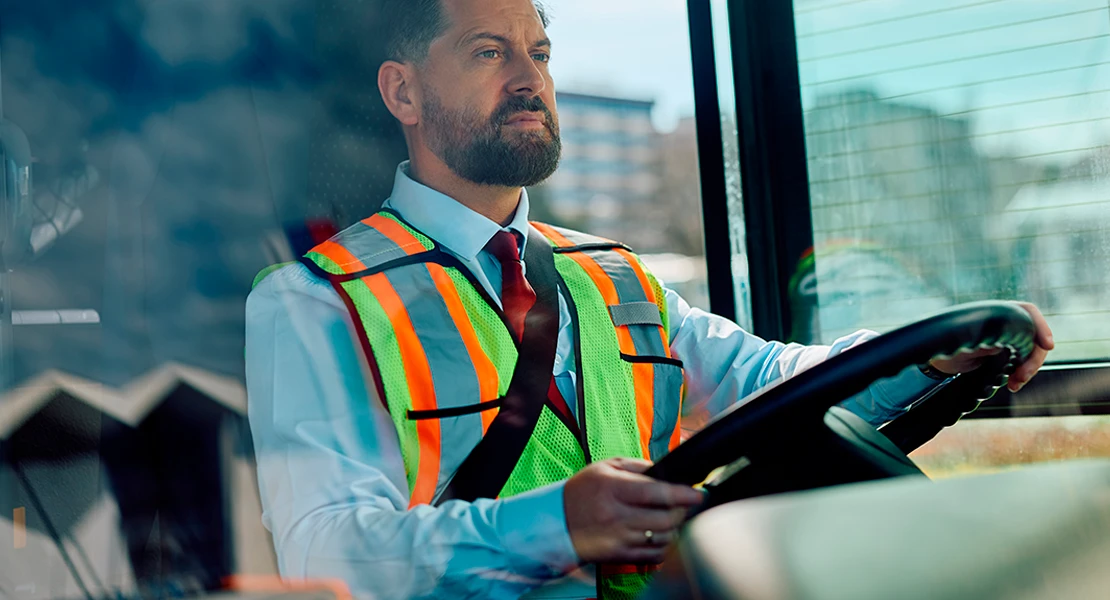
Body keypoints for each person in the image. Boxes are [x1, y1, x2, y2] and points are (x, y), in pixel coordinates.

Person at [244, 0, 1055, 598]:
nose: (532, 80)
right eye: (490, 53)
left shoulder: (612, 273)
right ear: (404, 94)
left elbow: (776, 383)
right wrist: (557, 524)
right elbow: (329, 553)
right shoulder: (314, 301)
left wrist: (930, 357)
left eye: (541, 52)